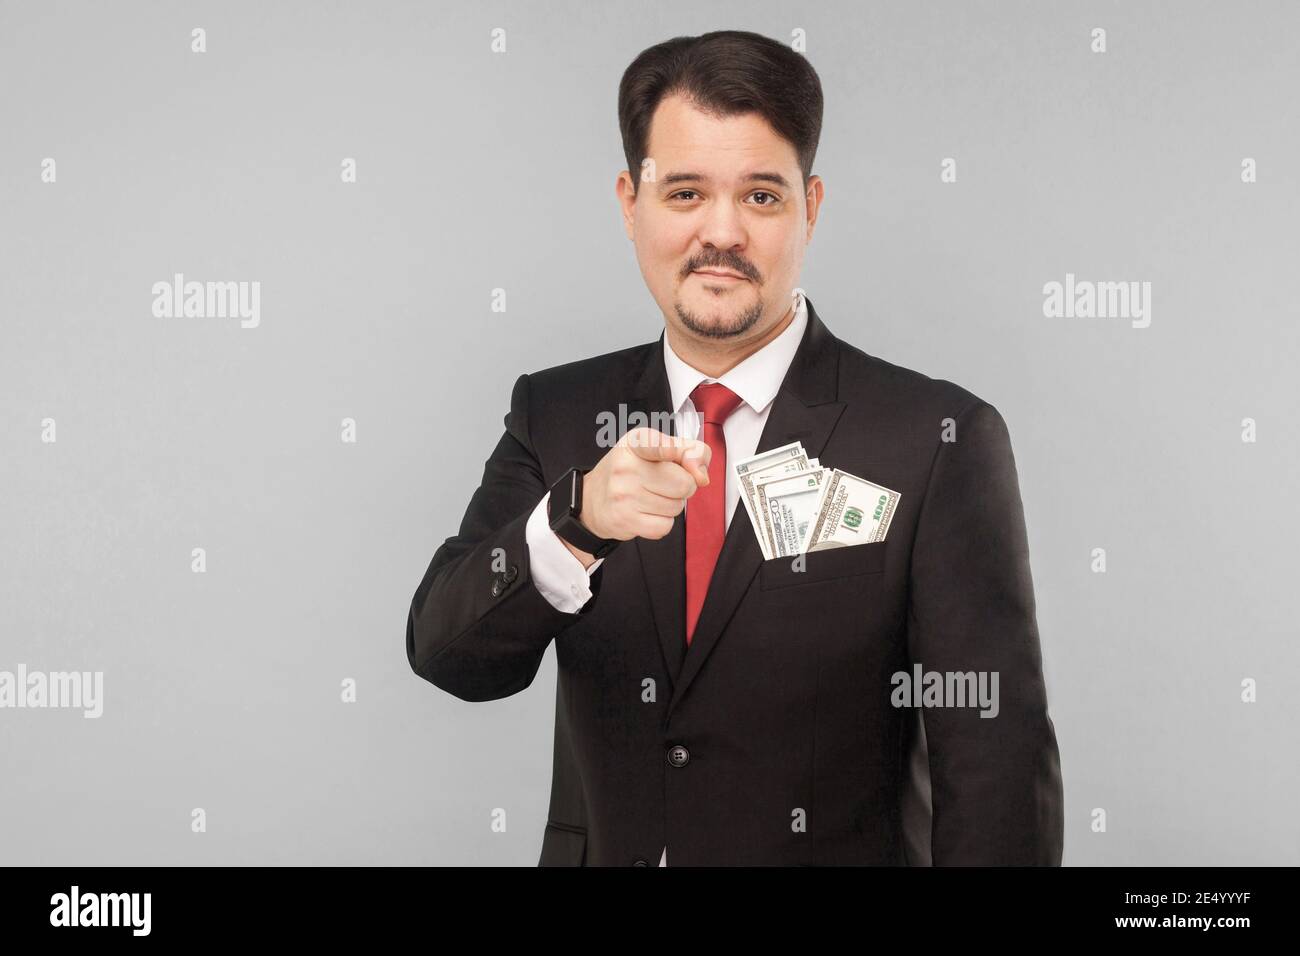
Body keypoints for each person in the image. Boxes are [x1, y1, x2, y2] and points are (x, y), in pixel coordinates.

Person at [407, 29, 1063, 866]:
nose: (722, 233)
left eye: (760, 196)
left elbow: (996, 766)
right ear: (629, 202)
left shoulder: (935, 440)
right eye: (684, 193)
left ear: (811, 207)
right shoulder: (559, 414)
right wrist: (575, 524)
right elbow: (448, 653)